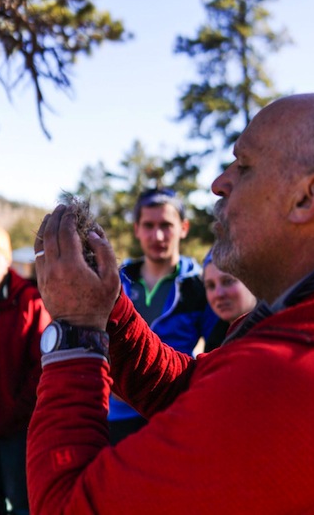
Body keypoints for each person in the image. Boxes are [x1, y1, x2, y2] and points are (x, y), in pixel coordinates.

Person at [28, 92, 314, 514]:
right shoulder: (297, 322)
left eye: (243, 166)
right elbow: (192, 388)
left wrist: (75, 332)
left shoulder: (290, 372)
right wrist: (109, 308)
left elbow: (67, 506)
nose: (218, 183)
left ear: (306, 196)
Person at [109, 188, 217, 443]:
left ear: (184, 228)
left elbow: (216, 351)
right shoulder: (115, 281)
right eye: (148, 225)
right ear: (136, 228)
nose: (157, 235)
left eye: (166, 225)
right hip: (116, 416)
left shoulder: (202, 286)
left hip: (172, 413)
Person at [0, 219, 51, 515]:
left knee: (22, 502)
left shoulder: (30, 302)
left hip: (16, 428)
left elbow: (43, 365)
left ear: (7, 258)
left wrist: (17, 410)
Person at [202, 250, 256, 351]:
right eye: (210, 285)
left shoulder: (275, 334)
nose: (218, 294)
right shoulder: (215, 339)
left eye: (228, 281)